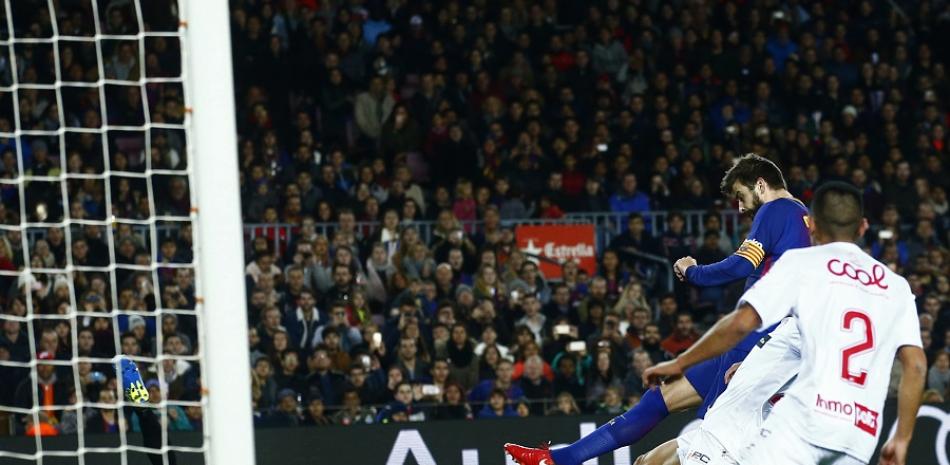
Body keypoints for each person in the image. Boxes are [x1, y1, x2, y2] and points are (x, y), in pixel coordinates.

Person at [505, 154, 810, 465]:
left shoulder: (776, 209)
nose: (742, 208)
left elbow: (740, 265)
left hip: (756, 341)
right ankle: (559, 460)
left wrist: (694, 271)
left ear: (760, 185)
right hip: (764, 341)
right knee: (659, 399)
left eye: (741, 196)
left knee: (707, 443)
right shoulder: (802, 216)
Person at [644, 182, 926, 465]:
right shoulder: (896, 287)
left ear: (811, 225)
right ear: (863, 227)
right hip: (858, 436)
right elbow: (914, 365)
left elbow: (741, 323)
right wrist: (902, 438)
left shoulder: (803, 264)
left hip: (804, 424)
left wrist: (681, 363)